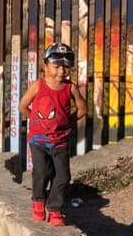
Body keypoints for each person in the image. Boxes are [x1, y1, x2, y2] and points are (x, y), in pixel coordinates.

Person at [18, 41, 87, 226]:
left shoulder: (70, 88)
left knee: (63, 176)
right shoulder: (38, 86)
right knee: (42, 172)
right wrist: (37, 122)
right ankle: (38, 201)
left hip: (60, 141)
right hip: (38, 140)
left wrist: (67, 123)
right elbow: (23, 106)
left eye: (66, 67)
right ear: (45, 66)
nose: (61, 71)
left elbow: (82, 109)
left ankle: (55, 209)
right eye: (56, 66)